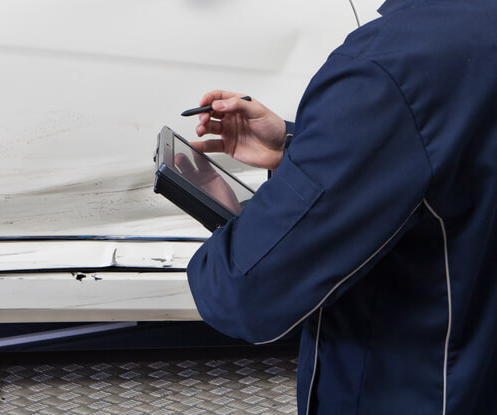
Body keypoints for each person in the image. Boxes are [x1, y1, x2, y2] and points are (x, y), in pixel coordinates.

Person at [184, 0, 497, 414]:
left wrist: (222, 256)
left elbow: (245, 293)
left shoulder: (388, 67)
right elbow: (459, 163)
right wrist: (304, 151)